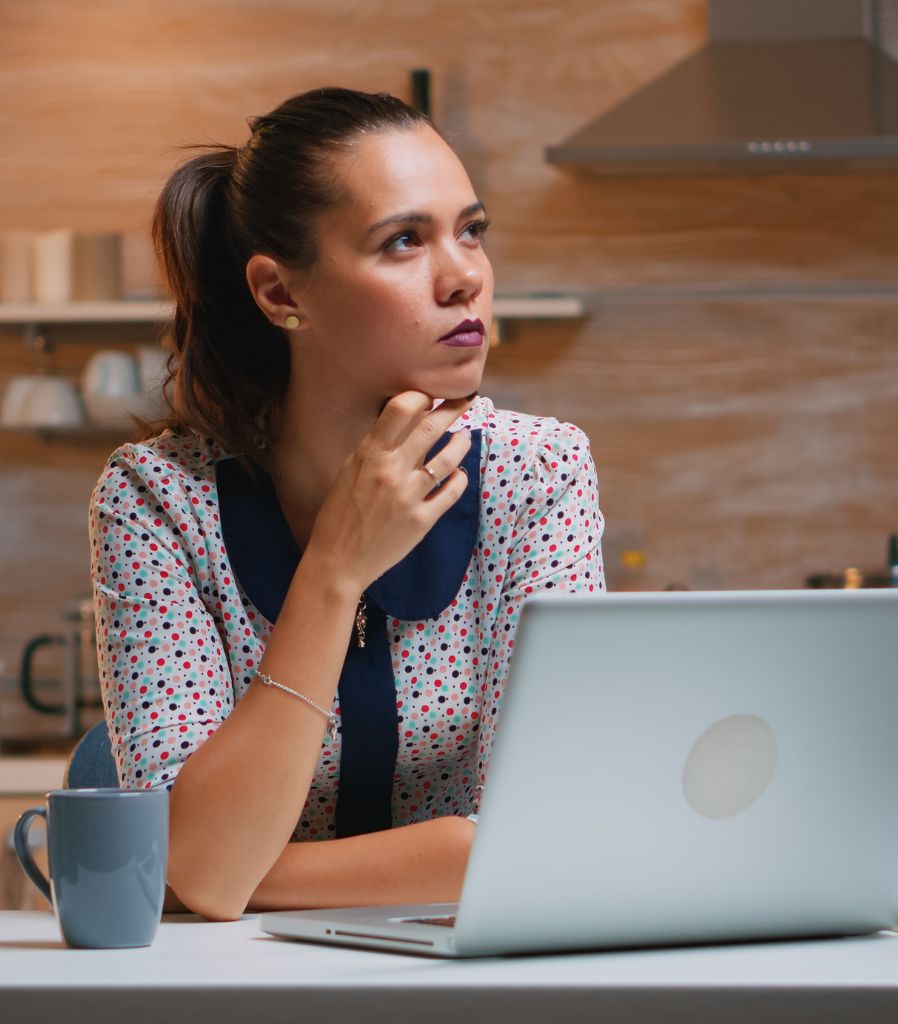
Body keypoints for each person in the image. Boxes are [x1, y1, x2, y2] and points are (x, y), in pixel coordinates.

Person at [88, 86, 605, 921]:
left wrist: (239, 872)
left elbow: (546, 837)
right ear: (281, 294)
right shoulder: (157, 499)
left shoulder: (538, 472)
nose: (464, 275)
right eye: (405, 240)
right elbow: (200, 869)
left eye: (470, 230)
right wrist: (334, 568)